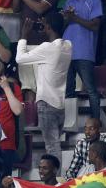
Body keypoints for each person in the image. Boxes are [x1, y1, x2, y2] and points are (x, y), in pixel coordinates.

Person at [16, 11, 72, 163]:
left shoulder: (47, 48)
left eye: (44, 24)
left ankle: (56, 182)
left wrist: (24, 35)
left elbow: (20, 58)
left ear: (48, 27)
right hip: (60, 105)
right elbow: (59, 37)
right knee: (54, 145)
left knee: (52, 147)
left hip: (46, 104)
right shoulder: (68, 46)